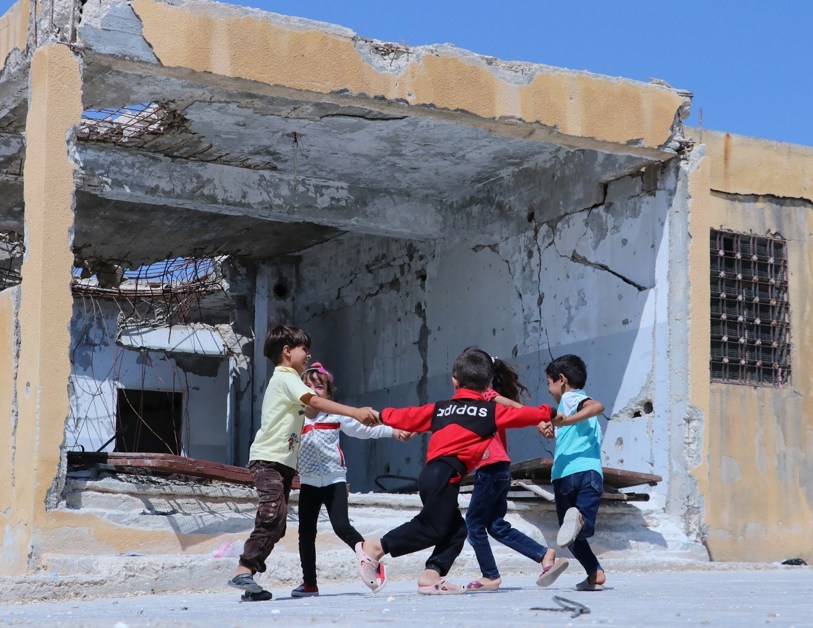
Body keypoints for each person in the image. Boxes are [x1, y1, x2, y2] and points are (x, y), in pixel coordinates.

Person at [353, 346, 559, 595]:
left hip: (433, 475)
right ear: (486, 387)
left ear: (454, 381)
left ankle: (431, 576)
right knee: (431, 527)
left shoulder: (440, 409)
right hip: (445, 475)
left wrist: (381, 415)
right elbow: (526, 414)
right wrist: (551, 413)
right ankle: (375, 547)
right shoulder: (490, 411)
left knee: (457, 530)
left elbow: (406, 415)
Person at [227, 325, 378, 600]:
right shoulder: (286, 377)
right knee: (272, 515)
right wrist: (354, 411)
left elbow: (313, 408)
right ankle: (243, 569)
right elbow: (316, 403)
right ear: (287, 352)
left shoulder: (291, 380)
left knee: (279, 523)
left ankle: (248, 581)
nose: (308, 355)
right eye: (304, 349)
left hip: (284, 464)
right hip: (268, 460)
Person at [291, 361, 411, 598]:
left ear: (328, 393)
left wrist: (392, 430)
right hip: (309, 483)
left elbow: (365, 430)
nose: (314, 391)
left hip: (334, 479)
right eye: (308, 386)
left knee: (341, 526)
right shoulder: (296, 418)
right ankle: (309, 583)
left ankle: (370, 559)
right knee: (306, 533)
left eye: (319, 387)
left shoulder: (335, 414)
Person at [464, 357, 569, 592]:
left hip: (491, 467)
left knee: (474, 523)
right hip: (499, 469)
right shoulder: (473, 400)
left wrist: (540, 421)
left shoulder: (485, 395)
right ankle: (544, 555)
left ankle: (489, 576)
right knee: (496, 525)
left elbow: (516, 408)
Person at [539, 354, 606, 592]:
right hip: (587, 474)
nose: (549, 390)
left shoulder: (572, 398)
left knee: (572, 531)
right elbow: (565, 426)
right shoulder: (566, 409)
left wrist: (564, 422)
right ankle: (595, 573)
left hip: (568, 475)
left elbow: (597, 406)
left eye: (549, 383)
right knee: (573, 532)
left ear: (562, 379)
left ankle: (592, 567)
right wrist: (554, 429)